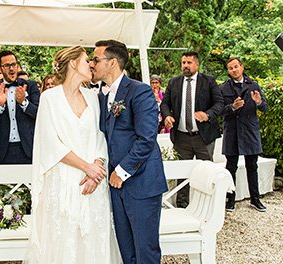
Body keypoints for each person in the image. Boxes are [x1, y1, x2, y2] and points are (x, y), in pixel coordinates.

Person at [25, 46, 121, 264]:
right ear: (73, 64)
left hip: (93, 182)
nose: (92, 64)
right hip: (64, 180)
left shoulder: (94, 97)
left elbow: (101, 136)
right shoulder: (49, 98)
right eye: (87, 60)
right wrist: (85, 167)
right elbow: (50, 143)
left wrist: (95, 167)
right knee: (64, 241)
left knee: (93, 240)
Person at [91, 39, 167, 264]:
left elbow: (146, 139)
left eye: (96, 59)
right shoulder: (101, 95)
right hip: (116, 186)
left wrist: (121, 172)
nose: (92, 64)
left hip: (141, 183)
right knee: (126, 248)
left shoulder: (139, 91)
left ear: (112, 62)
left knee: (146, 249)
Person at [160, 50, 224, 208]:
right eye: (183, 63)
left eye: (189, 63)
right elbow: (165, 103)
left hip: (204, 136)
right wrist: (167, 116)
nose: (185, 66)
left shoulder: (208, 81)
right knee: (182, 173)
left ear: (197, 64)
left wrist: (207, 115)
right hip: (181, 137)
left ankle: (208, 206)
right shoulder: (173, 82)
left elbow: (219, 103)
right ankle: (182, 206)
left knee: (207, 172)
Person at [220, 57, 268, 212]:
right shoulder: (223, 88)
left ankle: (255, 199)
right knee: (231, 167)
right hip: (232, 130)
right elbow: (219, 110)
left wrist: (259, 102)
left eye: (236, 67)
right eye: (230, 68)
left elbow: (264, 107)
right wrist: (232, 107)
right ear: (228, 71)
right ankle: (230, 200)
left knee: (252, 166)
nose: (234, 70)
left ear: (241, 67)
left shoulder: (253, 85)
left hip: (249, 130)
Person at [0, 50, 40, 164]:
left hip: (28, 147)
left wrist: (24, 103)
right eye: (7, 66)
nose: (11, 68)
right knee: (3, 182)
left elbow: (40, 115)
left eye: (14, 64)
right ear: (0, 69)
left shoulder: (30, 86)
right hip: (2, 150)